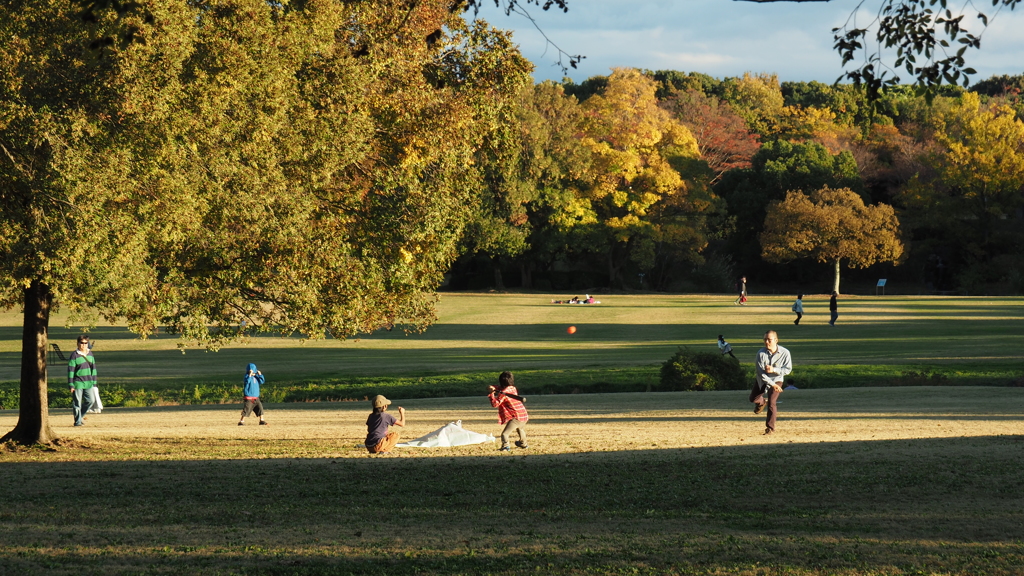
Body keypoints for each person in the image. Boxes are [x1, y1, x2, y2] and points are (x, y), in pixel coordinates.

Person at [749, 330, 793, 435]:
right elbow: (760, 373)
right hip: (762, 380)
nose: (766, 342)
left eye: (769, 339)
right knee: (753, 398)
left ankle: (770, 428)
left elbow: (788, 369)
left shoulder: (785, 353)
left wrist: (774, 370)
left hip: (777, 380)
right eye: (765, 339)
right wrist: (772, 384)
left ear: (776, 340)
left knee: (772, 403)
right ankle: (762, 402)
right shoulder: (760, 354)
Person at [488, 371, 529, 451]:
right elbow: (500, 388)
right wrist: (493, 387)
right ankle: (524, 444)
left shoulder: (504, 393)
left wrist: (491, 394)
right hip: (523, 414)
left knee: (505, 434)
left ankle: (505, 446)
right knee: (520, 429)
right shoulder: (513, 388)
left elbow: (495, 404)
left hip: (516, 417)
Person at [67, 335, 97, 427]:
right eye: (81, 343)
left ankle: (80, 417)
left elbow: (94, 369)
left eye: (85, 343)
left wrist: (94, 383)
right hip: (78, 382)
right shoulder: (74, 355)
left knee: (91, 401)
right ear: (78, 343)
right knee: (77, 403)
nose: (83, 345)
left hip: (89, 382)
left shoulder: (90, 354)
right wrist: (71, 384)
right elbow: (71, 370)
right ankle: (77, 422)